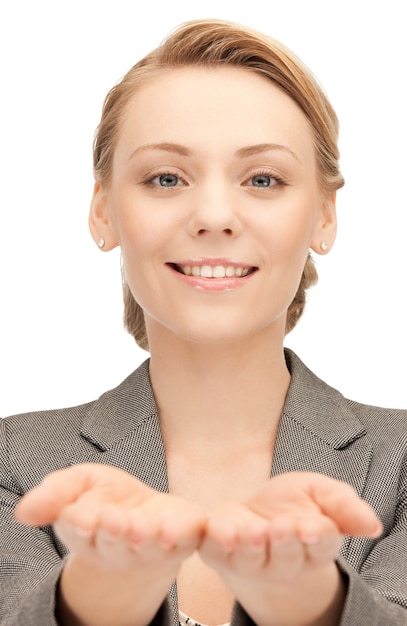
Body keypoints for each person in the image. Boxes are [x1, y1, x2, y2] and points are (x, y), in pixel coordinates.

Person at [1, 17, 406, 626]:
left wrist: (306, 597)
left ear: (324, 216)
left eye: (263, 179)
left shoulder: (400, 464)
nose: (214, 215)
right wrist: (102, 592)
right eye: (166, 178)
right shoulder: (13, 463)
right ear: (104, 210)